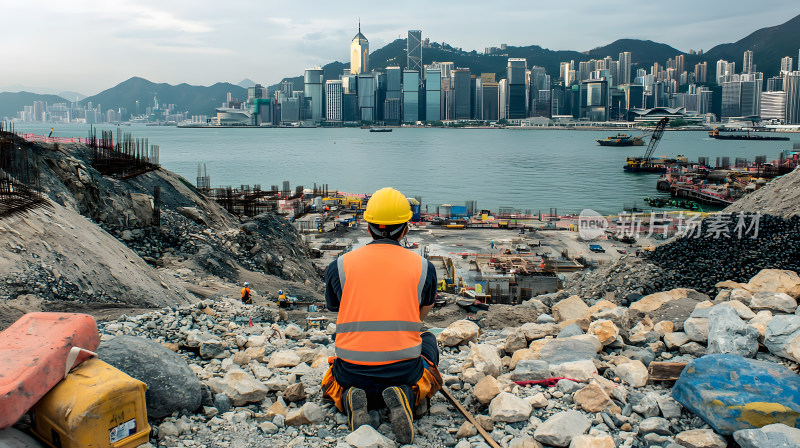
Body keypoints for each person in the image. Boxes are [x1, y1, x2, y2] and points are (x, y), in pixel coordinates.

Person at [321, 187, 441, 445]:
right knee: (428, 340)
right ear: (406, 228)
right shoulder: (424, 267)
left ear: (368, 227)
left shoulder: (339, 266)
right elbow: (420, 317)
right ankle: (406, 396)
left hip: (350, 370)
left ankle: (351, 398)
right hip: (404, 370)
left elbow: (337, 309)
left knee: (334, 376)